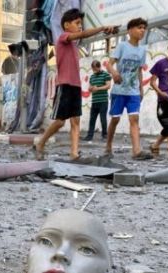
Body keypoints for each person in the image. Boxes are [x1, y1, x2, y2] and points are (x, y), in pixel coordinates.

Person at [35, 9, 117, 161]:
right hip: (64, 85)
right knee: (60, 121)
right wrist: (101, 28)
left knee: (75, 121)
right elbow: (83, 34)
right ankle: (40, 143)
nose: (80, 26)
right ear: (66, 25)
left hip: (75, 86)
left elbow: (83, 35)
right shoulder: (63, 37)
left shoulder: (74, 45)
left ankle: (74, 153)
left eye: (81, 23)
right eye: (77, 23)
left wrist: (105, 31)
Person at [105, 18, 152, 160]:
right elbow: (109, 64)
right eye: (139, 27)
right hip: (119, 91)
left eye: (144, 28)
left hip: (133, 91)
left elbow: (139, 70)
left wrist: (141, 89)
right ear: (130, 30)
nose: (142, 30)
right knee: (115, 120)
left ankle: (136, 151)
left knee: (134, 119)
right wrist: (114, 73)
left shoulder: (142, 50)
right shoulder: (122, 46)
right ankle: (108, 146)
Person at [84, 60, 112, 141]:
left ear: (99, 67)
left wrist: (98, 88)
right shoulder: (92, 77)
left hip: (103, 101)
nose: (94, 71)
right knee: (92, 119)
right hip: (94, 101)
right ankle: (89, 136)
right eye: (93, 69)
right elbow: (90, 88)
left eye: (95, 69)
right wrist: (91, 88)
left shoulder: (106, 75)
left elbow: (108, 86)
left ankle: (104, 135)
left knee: (103, 119)